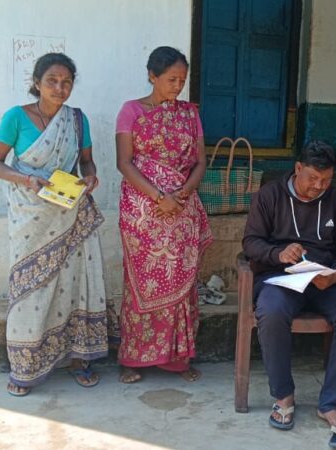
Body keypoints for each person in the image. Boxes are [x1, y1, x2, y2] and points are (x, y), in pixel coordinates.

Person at [0, 53, 115, 396]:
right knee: (31, 288)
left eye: (67, 82)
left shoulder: (76, 120)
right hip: (30, 216)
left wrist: (90, 179)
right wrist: (25, 180)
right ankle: (24, 366)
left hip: (69, 213)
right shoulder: (16, 117)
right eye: (52, 81)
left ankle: (78, 358)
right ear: (37, 82)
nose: (60, 88)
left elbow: (87, 164)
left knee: (74, 287)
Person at [242, 141, 336, 449]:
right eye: (312, 177)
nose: (318, 186)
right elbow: (250, 242)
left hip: (325, 280)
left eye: (326, 180)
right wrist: (277, 253)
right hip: (280, 277)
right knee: (271, 310)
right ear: (298, 168)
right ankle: (283, 396)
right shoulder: (270, 195)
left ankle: (331, 404)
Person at [115, 46, 213, 384]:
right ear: (152, 76)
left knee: (182, 285)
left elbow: (200, 161)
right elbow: (124, 162)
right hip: (142, 212)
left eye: (182, 81)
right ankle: (133, 358)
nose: (177, 86)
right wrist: (158, 196)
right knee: (142, 283)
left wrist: (182, 194)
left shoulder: (190, 114)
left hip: (182, 208)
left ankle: (177, 358)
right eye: (171, 79)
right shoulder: (131, 111)